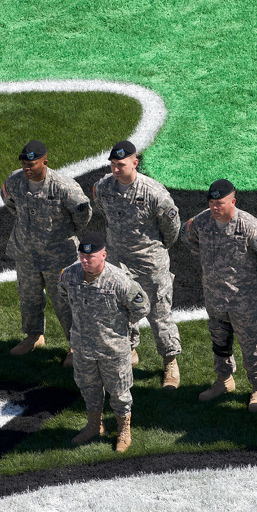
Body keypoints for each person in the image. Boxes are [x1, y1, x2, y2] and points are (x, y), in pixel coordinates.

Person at [180, 179, 257, 412]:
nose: (215, 207)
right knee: (220, 343)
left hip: (244, 301)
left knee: (252, 346)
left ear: (233, 201)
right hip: (214, 298)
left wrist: (253, 275)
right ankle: (224, 381)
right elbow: (187, 237)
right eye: (212, 202)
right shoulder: (202, 221)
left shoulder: (249, 226)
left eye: (221, 203)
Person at [92, 140, 182, 388]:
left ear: (135, 162)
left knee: (159, 314)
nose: (116, 170)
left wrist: (156, 249)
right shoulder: (103, 188)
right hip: (118, 263)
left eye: (121, 165)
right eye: (112, 165)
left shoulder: (154, 193)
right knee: (119, 312)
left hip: (150, 264)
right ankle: (129, 351)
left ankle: (170, 363)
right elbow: (101, 209)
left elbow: (172, 228)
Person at [58, 233, 150, 452]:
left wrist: (122, 328)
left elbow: (142, 307)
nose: (85, 260)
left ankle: (123, 431)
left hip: (113, 349)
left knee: (119, 393)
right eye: (82, 256)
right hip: (82, 347)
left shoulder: (119, 280)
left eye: (91, 256)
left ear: (104, 255)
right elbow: (64, 294)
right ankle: (93, 425)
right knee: (89, 389)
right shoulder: (69, 275)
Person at [1, 140, 91, 356]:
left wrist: (62, 233)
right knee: (28, 297)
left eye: (32, 164)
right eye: (24, 164)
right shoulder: (15, 181)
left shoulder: (64, 187)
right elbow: (9, 201)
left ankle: (75, 344)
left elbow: (83, 215)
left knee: (65, 301)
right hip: (26, 253)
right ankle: (33, 336)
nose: (27, 169)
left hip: (58, 257)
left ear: (45, 162)